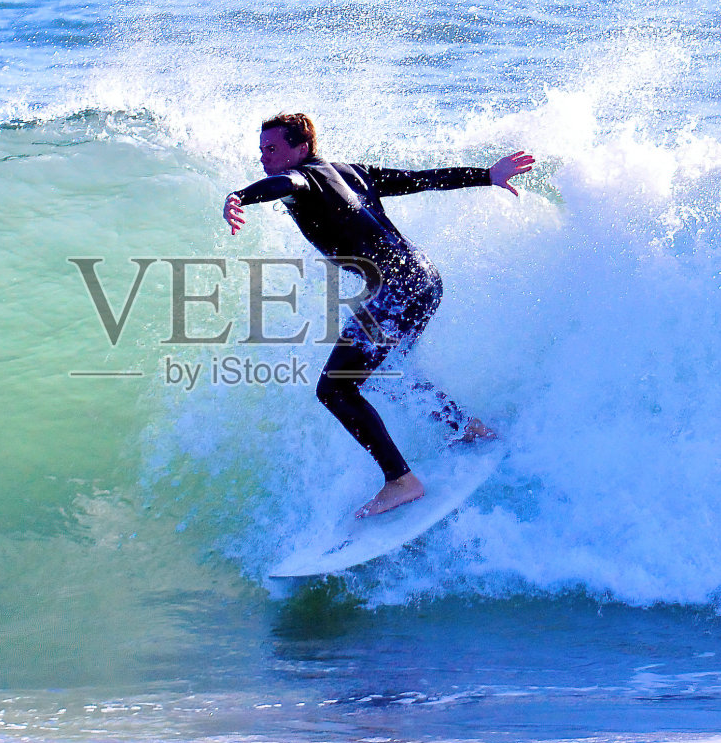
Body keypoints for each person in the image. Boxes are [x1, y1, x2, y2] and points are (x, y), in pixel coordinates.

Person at [223, 112, 534, 518]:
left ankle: (401, 481)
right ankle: (466, 427)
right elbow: (422, 179)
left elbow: (286, 182)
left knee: (334, 389)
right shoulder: (351, 172)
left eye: (272, 149)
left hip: (398, 290)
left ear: (301, 149)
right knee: (390, 375)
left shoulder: (305, 179)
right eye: (261, 150)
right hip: (424, 279)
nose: (264, 158)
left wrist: (241, 196)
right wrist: (486, 175)